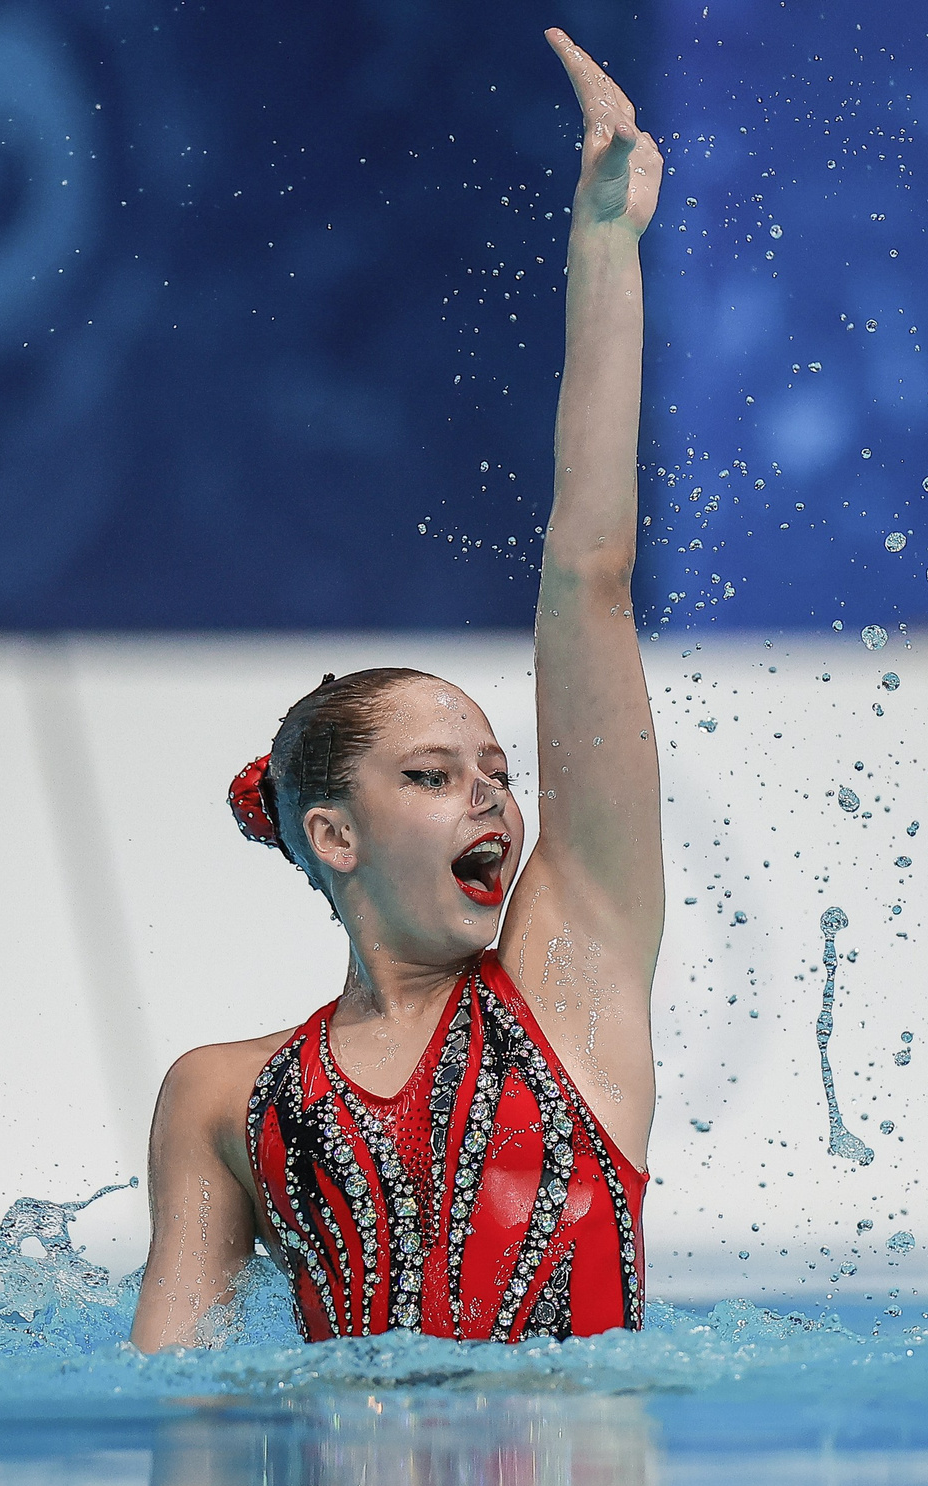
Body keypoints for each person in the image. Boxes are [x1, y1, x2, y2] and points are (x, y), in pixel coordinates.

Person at [129, 30, 662, 1351]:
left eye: (495, 770)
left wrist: (605, 246)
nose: (490, 794)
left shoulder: (571, 980)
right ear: (333, 835)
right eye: (431, 776)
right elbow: (178, 1411)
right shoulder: (224, 1102)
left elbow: (587, 574)